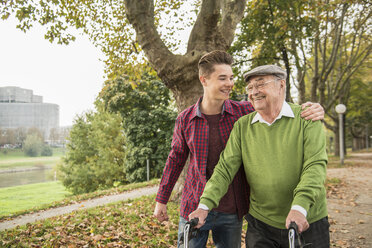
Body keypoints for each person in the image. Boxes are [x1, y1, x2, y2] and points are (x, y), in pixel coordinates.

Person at [154, 51, 325, 248]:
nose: (230, 83)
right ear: (204, 80)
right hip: (195, 203)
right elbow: (175, 160)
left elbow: (276, 107)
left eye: (231, 78)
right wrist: (162, 199)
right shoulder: (186, 119)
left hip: (231, 208)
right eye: (222, 78)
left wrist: (313, 108)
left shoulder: (243, 112)